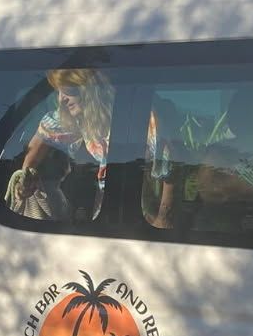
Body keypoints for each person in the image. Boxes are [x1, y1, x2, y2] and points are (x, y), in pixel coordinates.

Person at [13, 68, 175, 228]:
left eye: (69, 90)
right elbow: (37, 145)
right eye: (58, 92)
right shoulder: (71, 118)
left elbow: (170, 175)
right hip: (104, 209)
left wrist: (162, 219)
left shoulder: (145, 120)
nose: (62, 99)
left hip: (139, 209)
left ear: (91, 91)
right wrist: (26, 175)